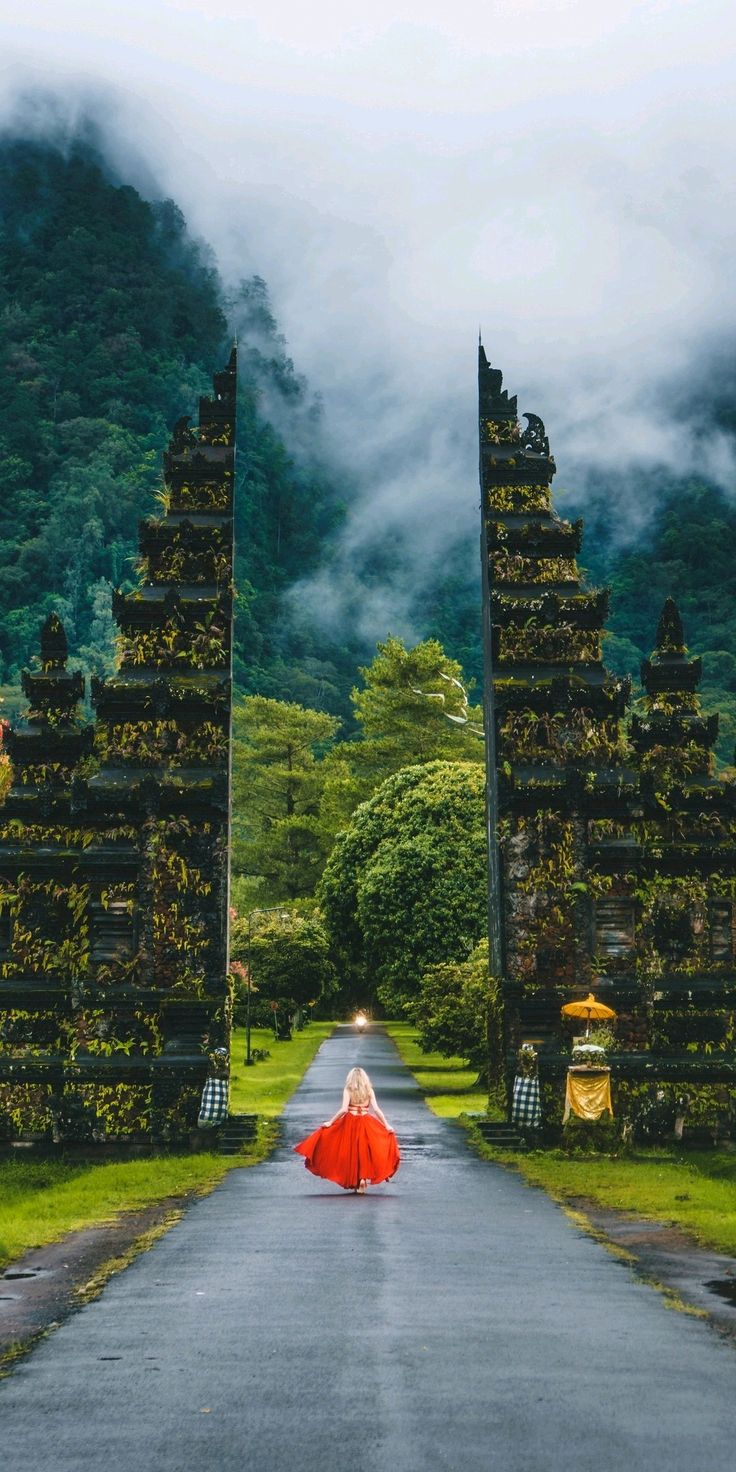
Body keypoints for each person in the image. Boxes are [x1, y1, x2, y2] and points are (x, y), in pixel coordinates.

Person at [294, 1066, 400, 1194]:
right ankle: (363, 1178)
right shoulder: (369, 1090)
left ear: (351, 1078)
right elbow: (377, 1109)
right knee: (365, 1150)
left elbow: (344, 1109)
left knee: (352, 1151)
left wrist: (330, 1122)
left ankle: (357, 1179)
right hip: (366, 1122)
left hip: (350, 1122)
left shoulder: (348, 1090)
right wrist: (386, 1125)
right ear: (365, 1078)